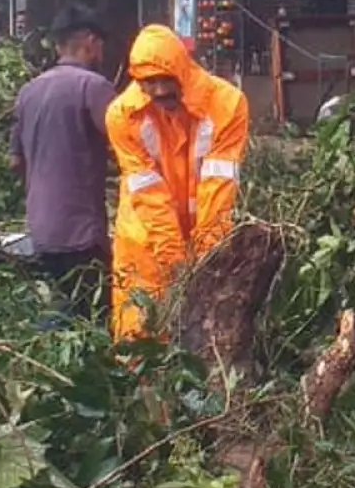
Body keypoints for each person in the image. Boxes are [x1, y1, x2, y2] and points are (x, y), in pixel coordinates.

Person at [105, 24, 249, 342]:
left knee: (202, 341)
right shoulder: (123, 115)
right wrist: (175, 261)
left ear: (183, 71)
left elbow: (218, 192)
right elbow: (148, 194)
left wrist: (206, 260)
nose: (158, 91)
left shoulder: (227, 105)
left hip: (204, 236)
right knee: (139, 337)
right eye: (148, 82)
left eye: (165, 80)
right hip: (144, 242)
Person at [12, 6, 119, 316]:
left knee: (60, 306)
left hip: (41, 227)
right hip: (80, 231)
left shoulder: (29, 91)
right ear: (89, 41)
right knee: (91, 315)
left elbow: (14, 162)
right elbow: (126, 146)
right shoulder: (94, 87)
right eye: (100, 44)